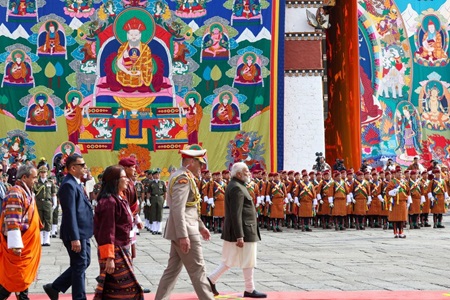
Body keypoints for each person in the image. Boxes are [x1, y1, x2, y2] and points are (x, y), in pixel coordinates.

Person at [155, 144, 214, 300]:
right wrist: (183, 236)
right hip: (186, 230)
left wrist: (201, 226)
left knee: (172, 271)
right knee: (198, 270)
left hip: (185, 228)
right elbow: (178, 209)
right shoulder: (183, 178)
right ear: (191, 162)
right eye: (200, 163)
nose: (202, 166)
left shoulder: (181, 175)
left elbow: (190, 207)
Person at [207, 162, 267, 298]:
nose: (249, 173)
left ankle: (211, 280)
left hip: (242, 230)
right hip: (244, 231)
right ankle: (249, 289)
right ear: (239, 174)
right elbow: (236, 213)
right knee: (247, 260)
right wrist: (240, 235)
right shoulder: (237, 188)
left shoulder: (237, 185)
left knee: (230, 260)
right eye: (246, 171)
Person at [43, 154, 94, 300]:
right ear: (72, 168)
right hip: (75, 233)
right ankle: (79, 298)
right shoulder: (68, 185)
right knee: (79, 265)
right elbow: (70, 213)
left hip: (83, 232)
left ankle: (55, 287)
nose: (85, 168)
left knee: (84, 262)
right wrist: (75, 238)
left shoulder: (77, 182)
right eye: (82, 165)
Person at [93, 165, 144, 300]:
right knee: (129, 289)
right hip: (114, 251)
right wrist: (110, 258)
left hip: (123, 247)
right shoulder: (109, 202)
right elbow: (106, 231)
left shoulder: (120, 197)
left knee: (112, 290)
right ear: (115, 181)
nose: (127, 180)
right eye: (124, 177)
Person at [0, 165, 40, 300]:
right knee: (15, 279)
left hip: (26, 244)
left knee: (20, 278)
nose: (36, 180)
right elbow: (12, 219)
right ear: (24, 177)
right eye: (34, 177)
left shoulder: (27, 192)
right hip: (18, 246)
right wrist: (16, 244)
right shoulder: (16, 193)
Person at [33, 166, 57, 246]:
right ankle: (40, 239)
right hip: (39, 203)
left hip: (47, 203)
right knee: (39, 220)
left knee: (48, 220)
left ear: (47, 173)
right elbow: (33, 194)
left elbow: (53, 194)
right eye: (41, 172)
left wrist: (55, 203)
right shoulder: (36, 183)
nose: (43, 174)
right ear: (39, 173)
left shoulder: (50, 182)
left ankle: (47, 239)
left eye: (44, 172)